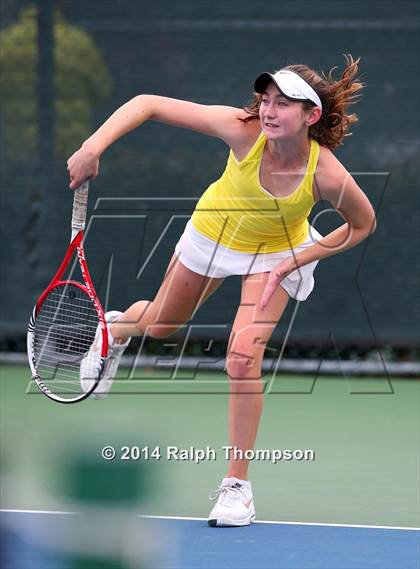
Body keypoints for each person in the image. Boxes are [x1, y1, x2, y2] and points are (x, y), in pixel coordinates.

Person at [67, 54, 376, 527]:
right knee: (163, 325)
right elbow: (148, 103)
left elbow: (362, 223)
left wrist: (300, 258)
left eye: (284, 104)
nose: (269, 111)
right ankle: (118, 328)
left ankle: (237, 487)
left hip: (278, 253)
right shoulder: (242, 130)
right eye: (266, 100)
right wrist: (93, 146)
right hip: (214, 233)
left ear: (311, 116)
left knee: (241, 356)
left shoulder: (326, 173)